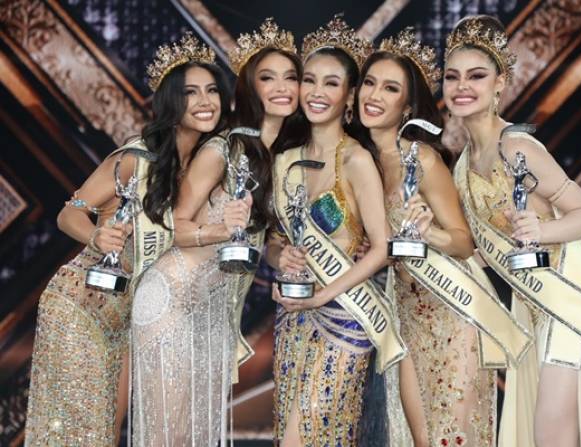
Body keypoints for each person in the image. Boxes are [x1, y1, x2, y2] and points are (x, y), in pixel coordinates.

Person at [447, 15, 581, 447]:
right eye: (452, 76)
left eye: (476, 75)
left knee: (552, 434)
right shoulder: (462, 164)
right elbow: (489, 250)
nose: (462, 86)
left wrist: (540, 232)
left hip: (573, 291)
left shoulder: (516, 146)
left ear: (500, 83)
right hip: (534, 304)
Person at [24, 32, 221, 446]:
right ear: (171, 102)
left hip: (129, 317)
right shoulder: (136, 157)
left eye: (212, 90)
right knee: (82, 432)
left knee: (108, 431)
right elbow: (68, 213)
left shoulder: (204, 169)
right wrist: (97, 235)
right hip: (82, 304)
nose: (205, 101)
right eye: (191, 92)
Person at [130, 20, 301, 446]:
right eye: (268, 78)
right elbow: (176, 227)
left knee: (198, 435)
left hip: (214, 312)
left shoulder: (281, 157)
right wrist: (221, 230)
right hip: (171, 300)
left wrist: (281, 256)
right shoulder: (222, 148)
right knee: (169, 435)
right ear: (248, 88)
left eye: (291, 77)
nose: (282, 87)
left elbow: (263, 241)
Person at [355, 27, 518, 446]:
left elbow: (463, 242)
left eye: (390, 88)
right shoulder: (360, 161)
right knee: (420, 438)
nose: (374, 96)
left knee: (452, 437)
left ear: (407, 106)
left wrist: (429, 234)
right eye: (369, 83)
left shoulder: (422, 159)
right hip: (407, 312)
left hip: (452, 308)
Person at [268, 16, 405, 446]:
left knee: (308, 434)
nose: (316, 92)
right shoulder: (284, 160)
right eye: (309, 80)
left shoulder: (356, 160)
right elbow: (274, 241)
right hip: (293, 314)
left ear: (349, 96)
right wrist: (279, 258)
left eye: (331, 83)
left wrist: (323, 294)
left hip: (345, 315)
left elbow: (381, 247)